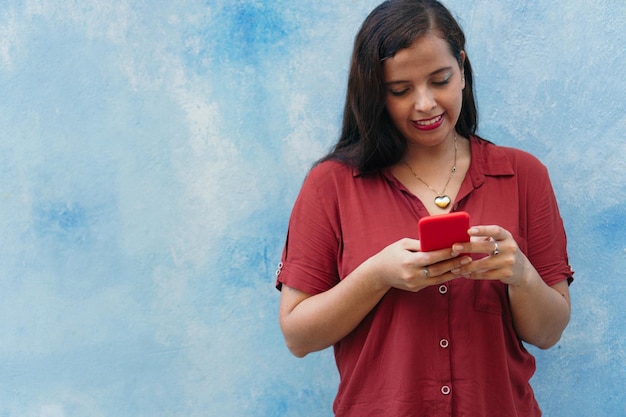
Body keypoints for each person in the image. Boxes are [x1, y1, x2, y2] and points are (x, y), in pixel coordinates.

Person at [275, 0, 573, 415]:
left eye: (440, 80)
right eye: (400, 90)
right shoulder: (331, 185)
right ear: (375, 92)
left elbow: (549, 332)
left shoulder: (525, 176)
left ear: (462, 69)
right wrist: (378, 275)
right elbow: (297, 337)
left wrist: (520, 275)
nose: (426, 104)